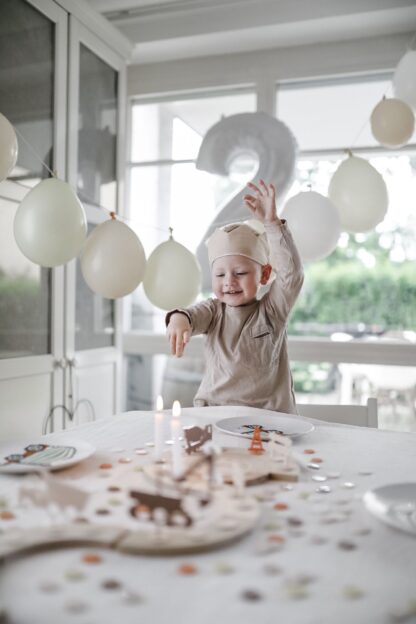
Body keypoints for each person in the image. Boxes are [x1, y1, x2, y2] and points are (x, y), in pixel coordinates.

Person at [165, 180, 304, 414]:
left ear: (265, 273)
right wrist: (179, 318)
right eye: (220, 274)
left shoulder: (272, 311)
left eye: (240, 273)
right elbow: (191, 315)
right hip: (214, 414)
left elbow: (292, 275)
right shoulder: (213, 311)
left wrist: (271, 223)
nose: (229, 281)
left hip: (269, 420)